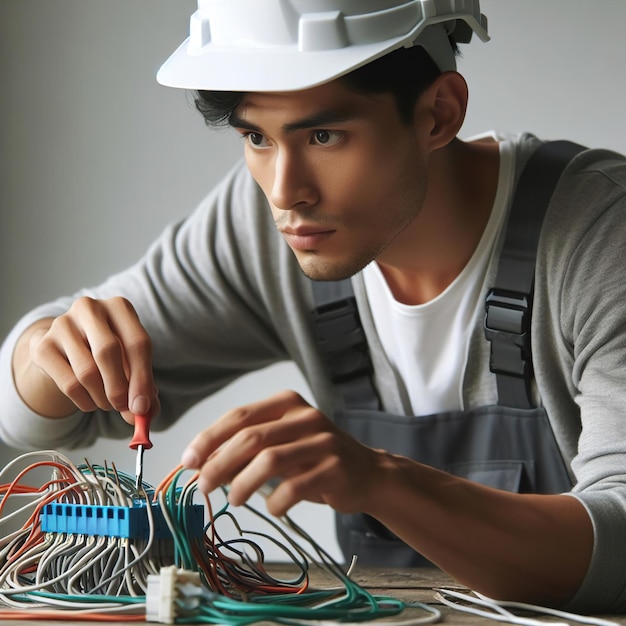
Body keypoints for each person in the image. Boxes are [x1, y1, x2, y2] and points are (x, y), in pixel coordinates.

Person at [1, 0, 626, 613]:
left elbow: (619, 542)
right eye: (256, 137)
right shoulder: (261, 228)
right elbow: (34, 418)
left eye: (325, 135)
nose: (284, 192)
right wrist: (44, 352)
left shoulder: (600, 235)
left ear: (439, 112)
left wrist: (381, 481)